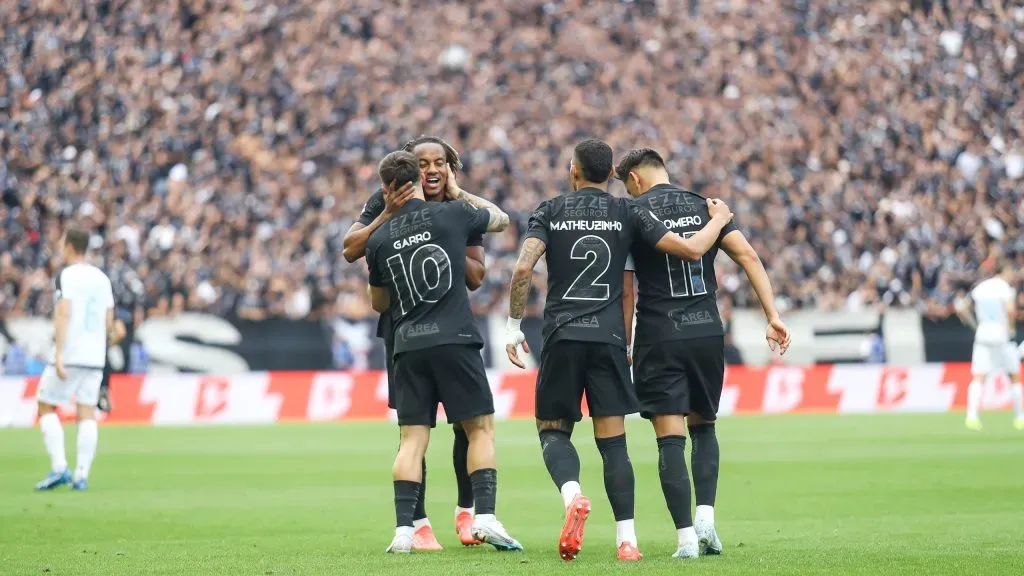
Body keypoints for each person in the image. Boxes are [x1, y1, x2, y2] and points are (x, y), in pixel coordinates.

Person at [503, 139, 734, 562]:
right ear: (612, 174)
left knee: (552, 429)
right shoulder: (629, 211)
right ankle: (627, 540)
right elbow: (679, 255)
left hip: (561, 335)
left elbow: (523, 266)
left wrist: (514, 325)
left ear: (573, 171)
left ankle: (572, 494)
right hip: (609, 339)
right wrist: (718, 218)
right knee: (614, 443)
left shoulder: (550, 210)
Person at [615, 148, 791, 558]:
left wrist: (624, 343)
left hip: (659, 333)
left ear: (635, 180)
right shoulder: (708, 208)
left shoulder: (633, 212)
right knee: (705, 426)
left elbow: (627, 289)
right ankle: (707, 521)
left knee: (669, 437)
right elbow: (747, 255)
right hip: (707, 330)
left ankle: (686, 539)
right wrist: (773, 315)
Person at [366, 151, 522, 554]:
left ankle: (404, 531)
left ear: (386, 189)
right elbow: (499, 219)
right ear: (420, 180)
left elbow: (378, 303)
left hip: (407, 345)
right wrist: (456, 191)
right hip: (454, 338)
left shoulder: (378, 238)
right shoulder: (453, 215)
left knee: (411, 441)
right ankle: (484, 516)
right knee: (479, 429)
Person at [342, 136, 485, 550]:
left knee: (466, 424)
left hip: (450, 323)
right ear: (410, 170)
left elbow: (476, 276)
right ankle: (418, 523)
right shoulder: (383, 199)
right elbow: (351, 248)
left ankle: (466, 512)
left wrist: (441, 234)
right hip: (402, 328)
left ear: (450, 167)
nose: (432, 170)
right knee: (414, 429)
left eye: (440, 162)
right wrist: (388, 214)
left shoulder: (458, 210)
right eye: (423, 163)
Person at [34, 227, 116, 492]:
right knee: (86, 413)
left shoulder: (66, 276)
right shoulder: (102, 278)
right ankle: (81, 475)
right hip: (95, 356)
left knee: (46, 405)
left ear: (69, 246)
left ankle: (59, 467)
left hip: (70, 353)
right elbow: (109, 321)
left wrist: (58, 353)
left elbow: (63, 313)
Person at [955, 266, 1024, 431]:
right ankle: (1019, 417)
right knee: (1014, 376)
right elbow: (1010, 310)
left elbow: (962, 308)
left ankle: (971, 416)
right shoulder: (1004, 288)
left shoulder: (980, 288)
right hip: (1002, 336)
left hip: (983, 335)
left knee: (978, 377)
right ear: (1003, 272)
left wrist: (974, 326)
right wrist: (1011, 328)